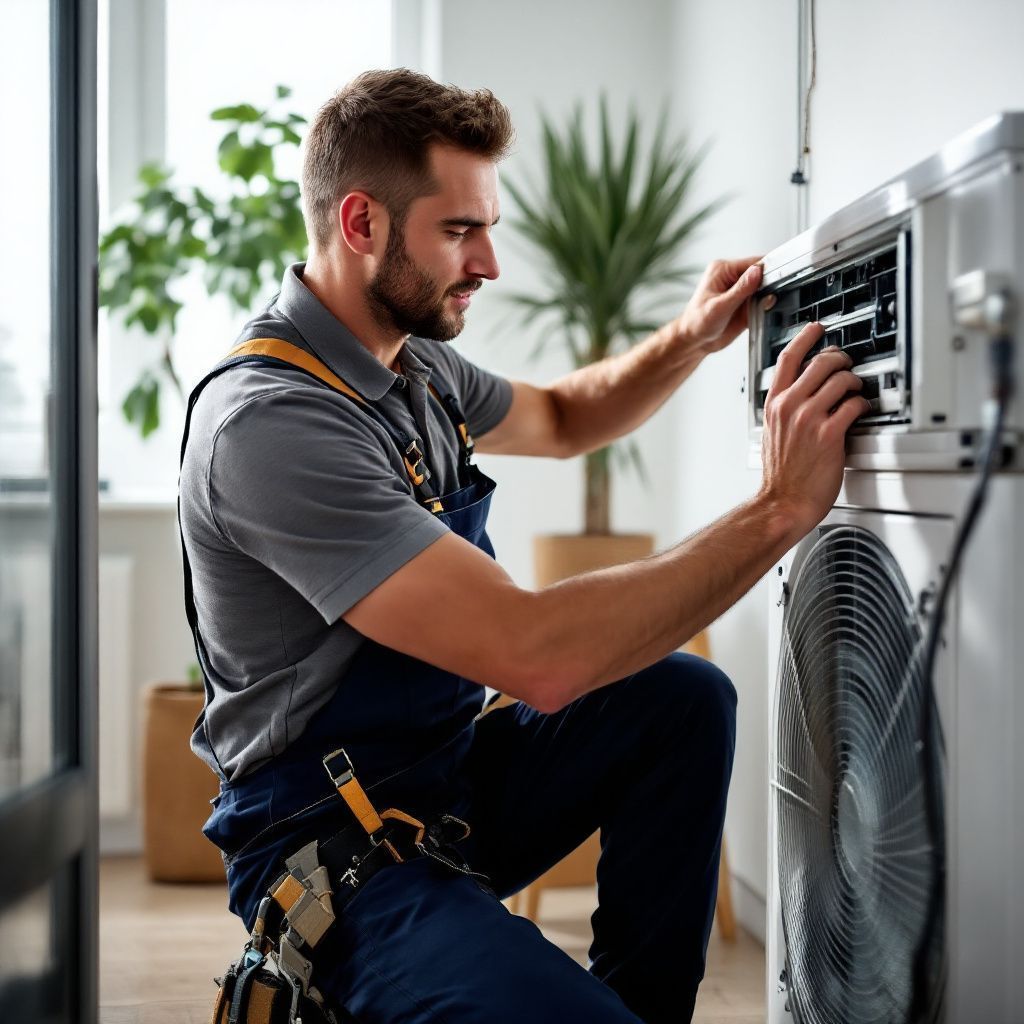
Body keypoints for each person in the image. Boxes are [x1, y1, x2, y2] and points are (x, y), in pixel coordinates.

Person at [179, 69, 868, 1024]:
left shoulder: (411, 364)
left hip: (442, 781)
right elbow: (537, 657)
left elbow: (562, 415)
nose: (490, 262)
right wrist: (779, 509)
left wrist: (692, 336)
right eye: (460, 230)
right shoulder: (270, 425)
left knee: (681, 699)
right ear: (360, 224)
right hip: (326, 842)